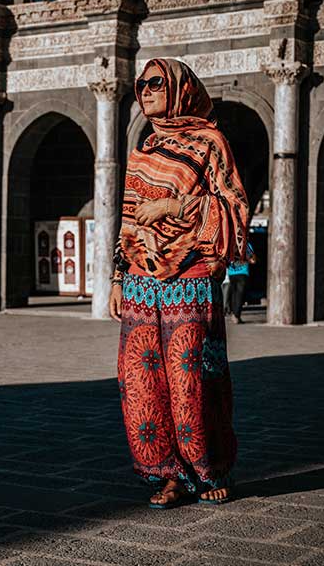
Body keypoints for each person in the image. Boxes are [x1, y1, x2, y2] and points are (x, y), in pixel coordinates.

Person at [108, 58, 249, 509]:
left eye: (155, 83)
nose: (144, 91)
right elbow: (128, 219)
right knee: (142, 384)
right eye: (140, 85)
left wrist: (172, 207)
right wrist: (117, 277)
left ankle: (209, 469)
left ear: (181, 89)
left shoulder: (211, 143)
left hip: (189, 279)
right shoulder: (144, 149)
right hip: (140, 285)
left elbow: (234, 206)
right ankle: (165, 474)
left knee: (192, 380)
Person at [227, 242, 257, 324]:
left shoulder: (230, 244)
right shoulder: (247, 245)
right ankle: (236, 316)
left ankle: (235, 315)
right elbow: (253, 260)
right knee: (240, 295)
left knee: (234, 294)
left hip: (232, 272)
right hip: (243, 272)